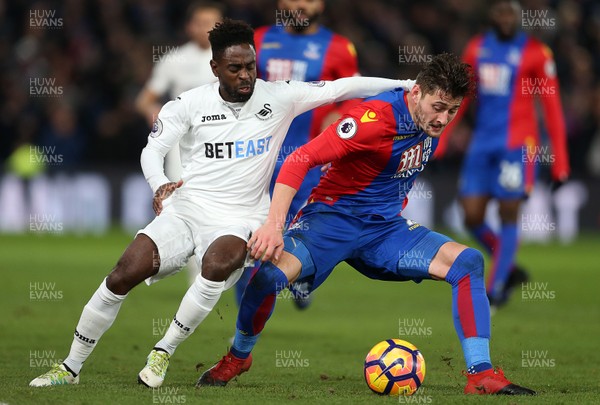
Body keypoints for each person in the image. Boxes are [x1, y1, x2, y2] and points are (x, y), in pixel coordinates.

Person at [29, 18, 414, 388]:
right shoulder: (187, 104)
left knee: (216, 265)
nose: (246, 75)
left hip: (243, 216)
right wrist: (160, 184)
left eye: (250, 66)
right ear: (215, 67)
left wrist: (404, 83)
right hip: (188, 208)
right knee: (121, 274)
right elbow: (153, 150)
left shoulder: (279, 96)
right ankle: (70, 366)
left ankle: (163, 351)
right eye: (235, 68)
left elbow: (341, 88)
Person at [198, 53, 536, 396]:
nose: (443, 119)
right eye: (438, 107)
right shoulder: (373, 119)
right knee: (267, 277)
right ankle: (238, 356)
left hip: (386, 230)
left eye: (452, 111)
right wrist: (274, 224)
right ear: (417, 93)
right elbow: (302, 158)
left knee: (468, 262)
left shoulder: (429, 119)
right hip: (331, 222)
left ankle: (480, 375)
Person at [435, 0, 570, 308]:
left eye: (510, 12)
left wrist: (561, 163)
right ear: (490, 15)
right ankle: (507, 267)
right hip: (482, 143)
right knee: (471, 216)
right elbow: (463, 98)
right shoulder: (477, 48)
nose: (505, 18)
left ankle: (495, 290)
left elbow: (552, 111)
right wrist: (442, 140)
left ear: (519, 16)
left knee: (509, 212)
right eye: (499, 12)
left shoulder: (536, 53)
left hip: (518, 146)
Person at [234, 0, 360, 309]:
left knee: (288, 235)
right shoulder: (260, 40)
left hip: (308, 161)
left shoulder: (340, 48)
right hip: (257, 155)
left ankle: (299, 276)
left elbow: (355, 97)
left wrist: (340, 115)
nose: (302, 4)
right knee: (244, 233)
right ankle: (243, 324)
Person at [135, 2, 224, 283]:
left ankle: (221, 269)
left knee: (222, 208)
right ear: (190, 26)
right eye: (200, 22)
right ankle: (198, 279)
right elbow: (145, 100)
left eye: (212, 22)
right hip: (182, 150)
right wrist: (161, 122)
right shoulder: (174, 60)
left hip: (225, 145)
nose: (206, 28)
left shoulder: (233, 57)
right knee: (187, 208)